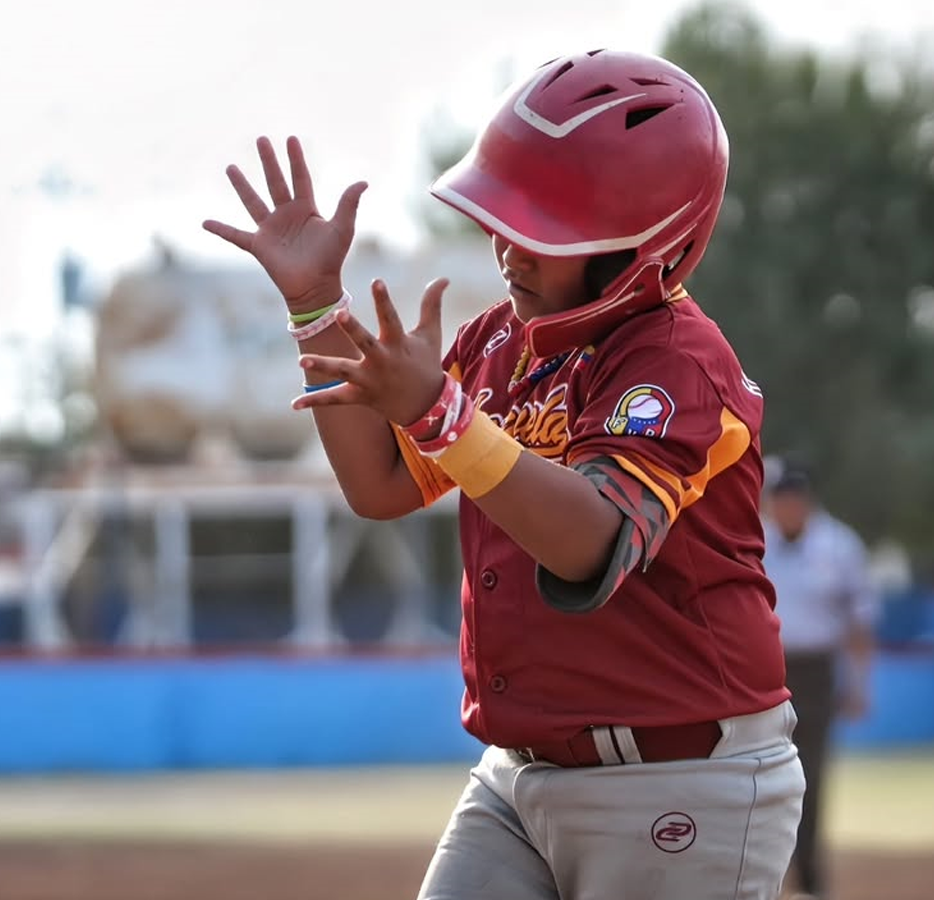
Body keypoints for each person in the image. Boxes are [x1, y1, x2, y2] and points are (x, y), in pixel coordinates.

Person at [204, 48, 804, 900]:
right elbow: (379, 487)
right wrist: (316, 308)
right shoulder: (499, 341)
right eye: (504, 215)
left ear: (642, 244)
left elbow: (589, 543)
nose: (508, 248)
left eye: (544, 229)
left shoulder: (679, 363)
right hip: (518, 777)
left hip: (682, 781)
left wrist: (441, 417)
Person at [763, 459, 878, 900]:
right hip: (766, 670)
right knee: (758, 775)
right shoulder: (756, 539)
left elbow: (859, 621)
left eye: (794, 500)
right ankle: (763, 878)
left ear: (807, 502)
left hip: (815, 673)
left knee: (810, 777)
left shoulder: (839, 545)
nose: (787, 508)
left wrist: (859, 682)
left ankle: (809, 880)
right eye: (780, 500)